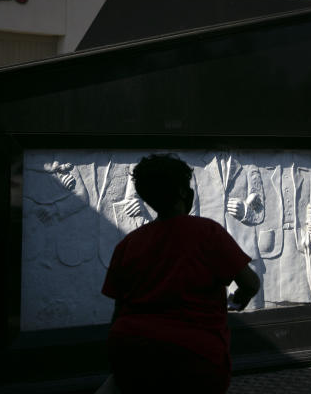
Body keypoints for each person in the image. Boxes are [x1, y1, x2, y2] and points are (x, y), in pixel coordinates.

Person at [101, 154, 260, 394]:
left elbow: (119, 309)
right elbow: (250, 282)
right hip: (195, 357)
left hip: (132, 351)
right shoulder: (207, 233)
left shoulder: (128, 245)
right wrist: (241, 298)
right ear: (184, 193)